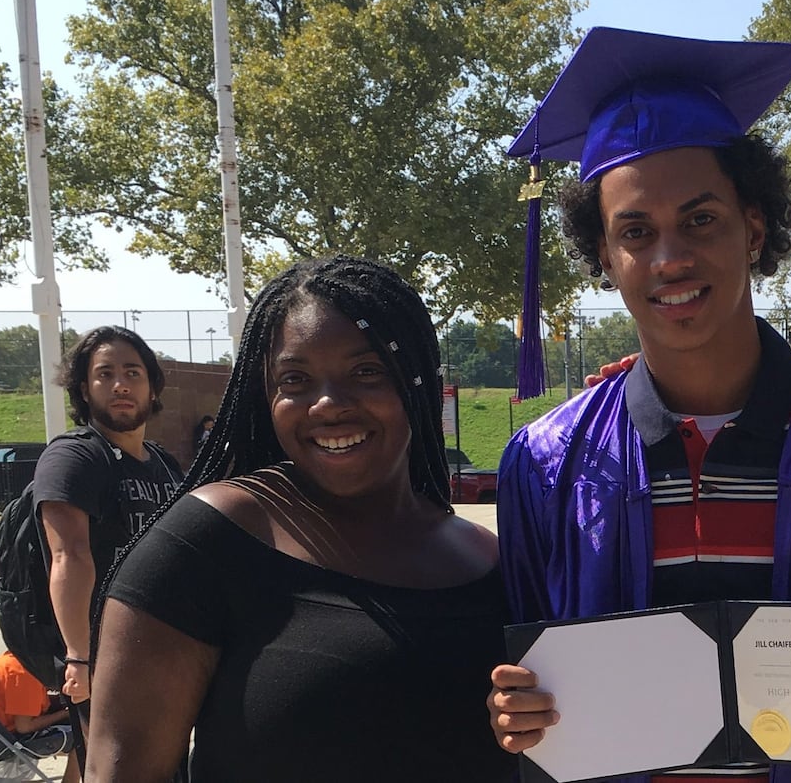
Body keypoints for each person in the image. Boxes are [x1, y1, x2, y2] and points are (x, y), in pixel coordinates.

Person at [486, 27, 791, 783]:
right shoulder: (549, 464)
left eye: (700, 219)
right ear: (605, 259)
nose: (670, 257)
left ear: (752, 228)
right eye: (635, 232)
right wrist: (516, 712)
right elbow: (522, 672)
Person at [84, 256, 514, 783]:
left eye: (366, 372)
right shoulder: (206, 543)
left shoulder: (486, 558)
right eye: (295, 379)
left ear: (418, 381)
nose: (328, 404)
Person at [33, 326, 183, 722]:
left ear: (152, 387)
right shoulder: (74, 458)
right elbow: (69, 556)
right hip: (105, 655)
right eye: (105, 374)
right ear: (84, 389)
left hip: (161, 644)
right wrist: (79, 658)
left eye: (133, 373)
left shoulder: (164, 463)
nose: (120, 385)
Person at [0, 650, 79, 783]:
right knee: (83, 734)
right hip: (12, 737)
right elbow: (24, 727)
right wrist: (66, 713)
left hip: (1, 727)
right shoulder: (24, 673)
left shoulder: (15, 658)